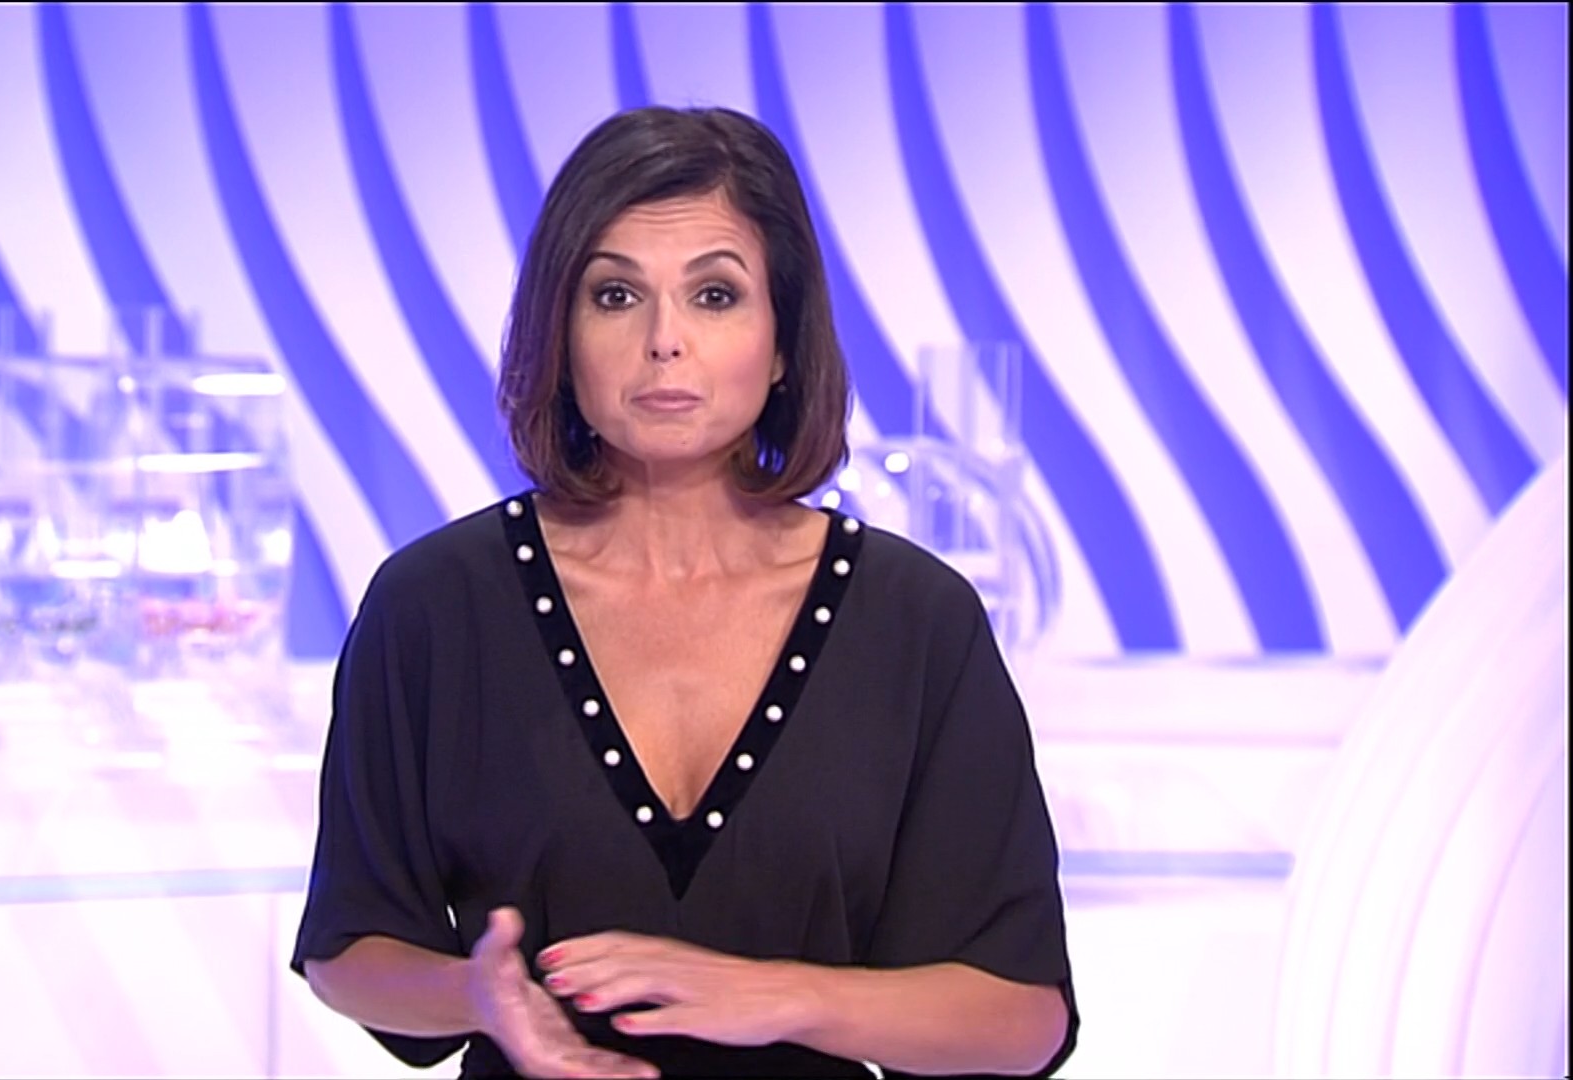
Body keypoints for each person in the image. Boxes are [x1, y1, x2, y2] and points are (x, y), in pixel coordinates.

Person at [292, 105, 1077, 1079]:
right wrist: (480, 996)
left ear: (783, 341)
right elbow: (350, 948)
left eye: (714, 294)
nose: (665, 340)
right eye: (616, 295)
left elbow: (1020, 1015)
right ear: (560, 333)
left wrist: (780, 995)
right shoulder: (432, 606)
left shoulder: (917, 621)